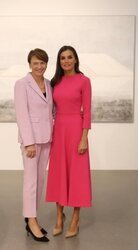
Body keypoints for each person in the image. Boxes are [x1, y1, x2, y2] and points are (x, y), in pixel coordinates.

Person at [46, 45, 92, 238]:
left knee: (77, 175)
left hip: (76, 131)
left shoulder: (84, 81)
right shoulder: (55, 82)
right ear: (59, 61)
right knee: (58, 174)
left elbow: (87, 112)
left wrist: (84, 139)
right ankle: (59, 217)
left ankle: (75, 218)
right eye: (62, 58)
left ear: (75, 60)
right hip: (59, 131)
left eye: (69, 57)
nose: (66, 61)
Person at [14, 48, 53, 242]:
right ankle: (31, 221)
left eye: (43, 63)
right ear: (29, 64)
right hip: (32, 142)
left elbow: (49, 112)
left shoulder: (48, 83)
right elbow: (22, 115)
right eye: (35, 63)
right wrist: (29, 143)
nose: (39, 66)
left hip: (47, 139)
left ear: (47, 64)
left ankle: (32, 218)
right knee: (30, 182)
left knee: (40, 181)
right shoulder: (22, 84)